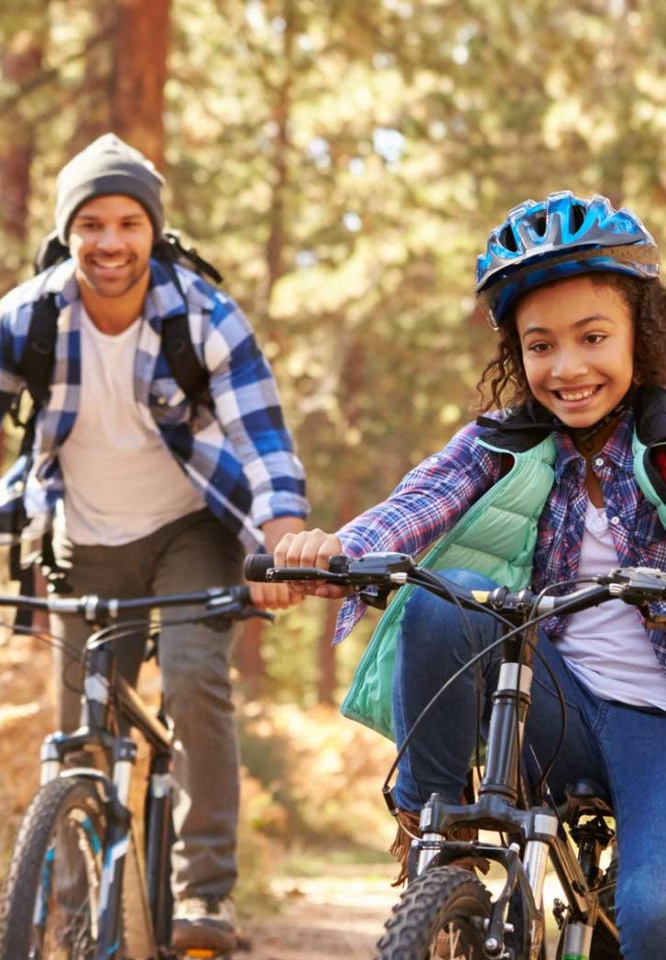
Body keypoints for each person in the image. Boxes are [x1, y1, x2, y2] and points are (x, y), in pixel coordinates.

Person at [0, 133, 308, 953]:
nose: (110, 242)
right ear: (67, 230)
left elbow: (265, 448)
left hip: (192, 528)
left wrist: (281, 547)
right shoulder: (25, 319)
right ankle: (73, 921)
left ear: (153, 229)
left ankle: (207, 895)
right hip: (80, 535)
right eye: (91, 223)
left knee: (194, 677)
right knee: (79, 738)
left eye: (127, 222)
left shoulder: (204, 315)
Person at [273, 191, 666, 958]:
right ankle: (438, 839)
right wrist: (337, 553)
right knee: (443, 599)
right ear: (516, 352)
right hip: (545, 707)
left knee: (653, 919)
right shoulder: (508, 441)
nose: (569, 367)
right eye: (541, 345)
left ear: (638, 336)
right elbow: (420, 501)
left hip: (652, 723)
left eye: (593, 337)